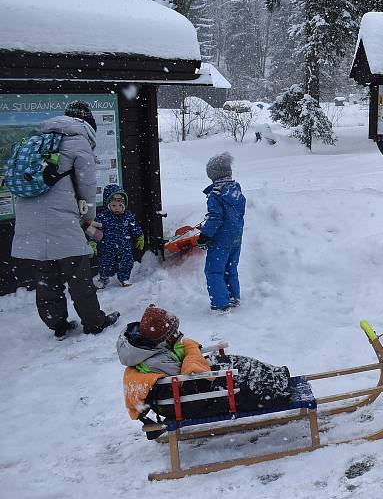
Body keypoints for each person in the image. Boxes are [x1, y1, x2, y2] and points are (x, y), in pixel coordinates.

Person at [11, 100, 119, 339]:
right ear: (88, 124)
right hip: (62, 222)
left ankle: (57, 324)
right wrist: (88, 219)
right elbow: (88, 187)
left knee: (46, 278)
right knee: (79, 277)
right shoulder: (78, 142)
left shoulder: (38, 141)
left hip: (30, 221)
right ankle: (94, 322)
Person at [117, 304, 291, 427]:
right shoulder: (156, 360)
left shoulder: (155, 346)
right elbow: (184, 379)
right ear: (162, 338)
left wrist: (193, 356)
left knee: (237, 363)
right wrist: (194, 358)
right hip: (187, 398)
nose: (178, 334)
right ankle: (276, 389)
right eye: (173, 332)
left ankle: (275, 376)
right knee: (242, 382)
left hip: (192, 385)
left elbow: (183, 357)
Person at [197, 152, 246, 313]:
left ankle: (220, 304)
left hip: (221, 240)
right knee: (230, 268)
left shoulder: (216, 194)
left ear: (212, 174)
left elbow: (216, 218)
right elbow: (233, 214)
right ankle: (233, 296)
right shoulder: (235, 190)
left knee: (213, 271)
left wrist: (205, 235)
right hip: (236, 237)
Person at [91, 184, 144, 288]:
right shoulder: (102, 217)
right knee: (104, 263)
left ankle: (124, 278)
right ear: (108, 205)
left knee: (127, 262)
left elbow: (134, 227)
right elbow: (95, 231)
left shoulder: (128, 216)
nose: (117, 208)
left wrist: (139, 235)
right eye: (114, 206)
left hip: (125, 245)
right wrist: (93, 241)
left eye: (120, 206)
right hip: (107, 246)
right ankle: (103, 278)